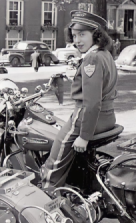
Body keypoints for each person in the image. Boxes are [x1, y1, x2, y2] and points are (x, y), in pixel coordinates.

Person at [41, 10, 117, 188]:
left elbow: (92, 103)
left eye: (82, 34)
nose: (77, 40)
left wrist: (84, 136)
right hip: (108, 116)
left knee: (54, 161)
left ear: (96, 35)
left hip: (85, 119)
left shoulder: (91, 59)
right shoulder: (104, 53)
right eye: (74, 35)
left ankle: (47, 194)